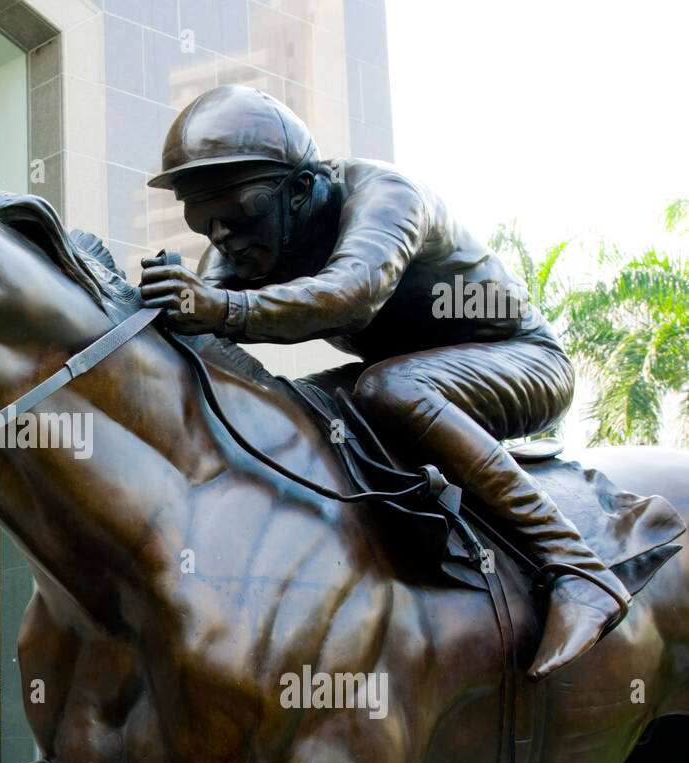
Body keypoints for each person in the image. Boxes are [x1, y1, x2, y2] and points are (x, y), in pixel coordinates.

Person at [140, 84, 628, 679]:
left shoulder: (385, 196)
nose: (222, 238)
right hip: (399, 376)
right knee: (280, 410)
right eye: (204, 222)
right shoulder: (241, 242)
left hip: (518, 361)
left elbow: (354, 295)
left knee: (390, 391)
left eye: (240, 217)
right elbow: (207, 340)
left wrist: (218, 308)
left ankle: (577, 568)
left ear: (299, 191)